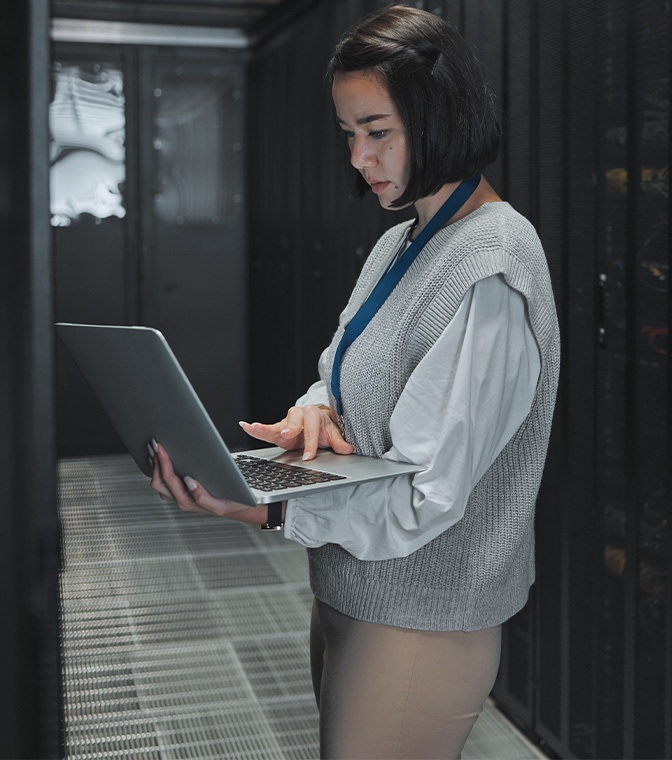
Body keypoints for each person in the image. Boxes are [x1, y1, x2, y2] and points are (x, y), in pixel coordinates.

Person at [150, 4, 560, 758]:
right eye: (348, 134)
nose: (358, 158)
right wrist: (315, 413)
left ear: (440, 117)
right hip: (349, 590)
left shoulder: (492, 263)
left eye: (378, 132)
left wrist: (266, 511)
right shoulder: (400, 242)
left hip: (421, 620)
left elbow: (424, 496)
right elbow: (340, 371)